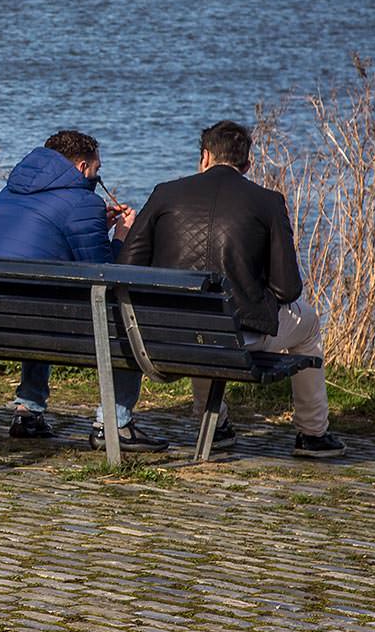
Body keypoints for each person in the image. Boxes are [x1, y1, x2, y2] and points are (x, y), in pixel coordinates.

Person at [120, 119, 346, 458]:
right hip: (237, 334)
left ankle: (216, 424)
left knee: (203, 320)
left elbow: (128, 269)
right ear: (247, 165)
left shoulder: (165, 193)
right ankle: (313, 434)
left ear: (205, 156)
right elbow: (288, 289)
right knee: (309, 324)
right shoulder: (268, 201)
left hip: (167, 333)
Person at [0, 130, 167, 452]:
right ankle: (115, 422)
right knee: (126, 319)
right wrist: (123, 237)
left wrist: (95, 226)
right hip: (34, 320)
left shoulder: (10, 193)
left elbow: (46, 240)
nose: (98, 179)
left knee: (38, 298)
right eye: (97, 172)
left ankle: (28, 410)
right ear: (82, 166)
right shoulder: (83, 201)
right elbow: (105, 276)